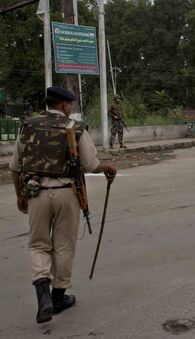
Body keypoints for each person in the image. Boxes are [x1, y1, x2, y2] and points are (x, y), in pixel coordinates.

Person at [9, 86, 117, 324]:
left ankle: (43, 297)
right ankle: (59, 298)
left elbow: (15, 168)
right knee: (64, 245)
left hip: (36, 193)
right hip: (67, 193)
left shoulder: (29, 126)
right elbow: (90, 165)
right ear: (65, 105)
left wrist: (20, 196)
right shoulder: (75, 128)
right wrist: (106, 168)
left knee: (38, 245)